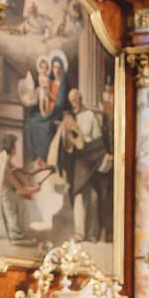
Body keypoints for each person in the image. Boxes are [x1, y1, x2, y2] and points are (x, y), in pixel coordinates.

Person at [58, 89, 112, 242]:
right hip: (78, 160)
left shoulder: (90, 115)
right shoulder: (69, 118)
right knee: (79, 194)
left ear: (80, 99)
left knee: (94, 196)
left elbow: (98, 139)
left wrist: (98, 153)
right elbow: (66, 143)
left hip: (92, 158)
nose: (74, 102)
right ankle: (79, 233)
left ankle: (92, 234)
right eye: (71, 100)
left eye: (76, 99)